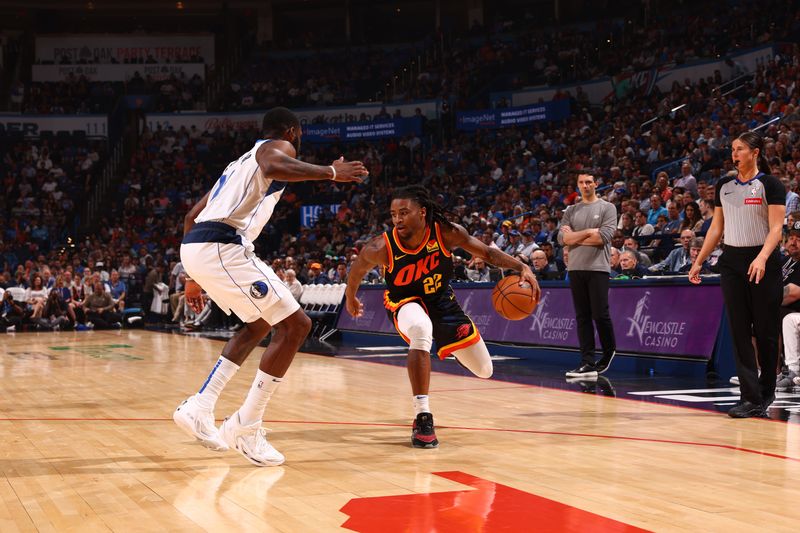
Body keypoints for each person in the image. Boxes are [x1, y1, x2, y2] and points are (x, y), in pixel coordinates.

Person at [173, 107, 368, 466]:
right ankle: (246, 426)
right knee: (297, 325)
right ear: (292, 131)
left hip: (199, 246)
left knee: (261, 323)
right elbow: (274, 165)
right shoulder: (275, 148)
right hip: (222, 245)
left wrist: (191, 276)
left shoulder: (236, 164)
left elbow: (189, 216)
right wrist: (330, 172)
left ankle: (201, 406)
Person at [344, 185, 538, 448]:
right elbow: (356, 271)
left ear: (422, 212)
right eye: (393, 214)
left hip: (441, 301)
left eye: (404, 212)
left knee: (484, 370)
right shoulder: (381, 246)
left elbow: (487, 253)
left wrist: (521, 265)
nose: (398, 219)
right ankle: (422, 416)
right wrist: (351, 297)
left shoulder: (446, 232)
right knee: (421, 329)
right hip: (403, 301)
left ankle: (453, 348)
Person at [689, 131, 784, 418]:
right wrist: (699, 261)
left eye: (740, 149)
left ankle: (766, 391)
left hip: (762, 260)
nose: (735, 154)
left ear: (755, 152)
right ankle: (750, 397)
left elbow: (776, 229)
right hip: (731, 261)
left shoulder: (770, 184)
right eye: (733, 149)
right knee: (740, 330)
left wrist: (763, 257)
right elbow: (716, 228)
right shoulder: (724, 186)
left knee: (766, 332)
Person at [558, 173, 618, 378]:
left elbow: (603, 238)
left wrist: (573, 237)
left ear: (596, 184)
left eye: (589, 182)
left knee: (600, 314)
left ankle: (610, 350)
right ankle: (587, 362)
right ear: (577, 185)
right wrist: (587, 233)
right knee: (582, 317)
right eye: (581, 183)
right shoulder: (571, 210)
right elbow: (561, 239)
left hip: (598, 268)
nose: (585, 185)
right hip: (575, 268)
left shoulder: (607, 207)